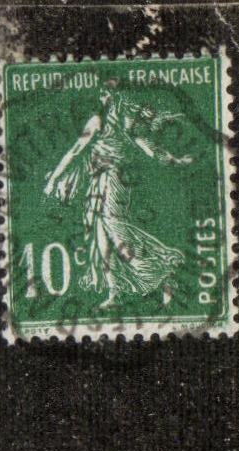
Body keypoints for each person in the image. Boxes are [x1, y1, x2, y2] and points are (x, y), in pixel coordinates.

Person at [43, 81, 192, 309]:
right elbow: (150, 148)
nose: (101, 97)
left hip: (111, 181)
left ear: (112, 96)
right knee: (100, 237)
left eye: (104, 93)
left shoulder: (99, 121)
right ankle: (115, 291)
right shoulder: (126, 122)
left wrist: (54, 178)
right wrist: (174, 160)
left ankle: (162, 273)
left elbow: (75, 151)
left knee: (116, 232)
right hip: (101, 182)